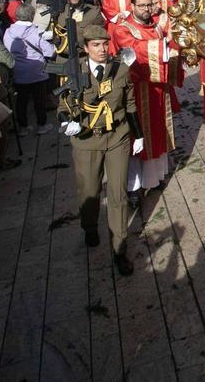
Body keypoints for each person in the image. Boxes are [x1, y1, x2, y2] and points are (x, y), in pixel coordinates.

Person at [60, 25, 143, 276]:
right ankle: (89, 226)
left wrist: (138, 134)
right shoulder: (73, 71)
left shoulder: (120, 70)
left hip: (117, 137)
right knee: (90, 190)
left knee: (117, 195)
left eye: (105, 44)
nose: (102, 49)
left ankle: (119, 249)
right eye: (96, 45)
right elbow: (62, 103)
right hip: (86, 140)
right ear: (85, 48)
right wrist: (66, 121)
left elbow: (129, 104)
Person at [108, 0, 175, 197]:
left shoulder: (155, 26)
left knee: (157, 130)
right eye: (143, 6)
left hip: (157, 89)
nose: (147, 9)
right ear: (132, 7)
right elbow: (134, 50)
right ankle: (135, 184)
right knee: (139, 136)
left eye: (150, 5)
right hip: (136, 91)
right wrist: (163, 46)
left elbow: (167, 47)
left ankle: (154, 177)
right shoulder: (123, 29)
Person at [3, 2, 55, 136]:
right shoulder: (36, 32)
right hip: (37, 71)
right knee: (39, 100)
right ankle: (41, 125)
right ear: (32, 15)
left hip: (18, 72)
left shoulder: (8, 32)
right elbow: (49, 52)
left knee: (22, 100)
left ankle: (23, 127)